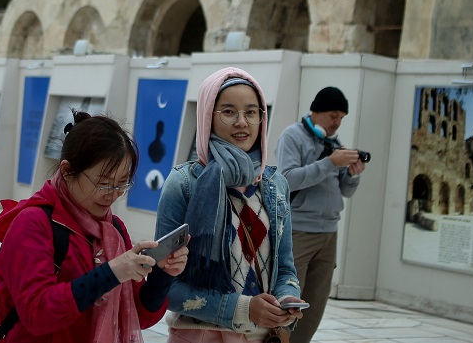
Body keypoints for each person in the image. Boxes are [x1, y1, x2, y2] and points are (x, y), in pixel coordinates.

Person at [0, 113, 187, 342]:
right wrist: (110, 273)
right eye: (103, 183)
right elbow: (37, 313)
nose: (112, 194)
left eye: (121, 183)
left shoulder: (113, 230)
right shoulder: (33, 223)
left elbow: (137, 315)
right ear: (66, 170)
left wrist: (161, 274)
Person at [156, 67, 304, 342]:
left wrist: (287, 299)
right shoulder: (185, 183)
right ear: (206, 116)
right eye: (228, 111)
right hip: (200, 335)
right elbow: (164, 286)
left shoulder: (275, 184)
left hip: (262, 336)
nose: (241, 122)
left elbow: (285, 267)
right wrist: (244, 308)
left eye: (251, 112)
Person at [275, 86, 365, 343]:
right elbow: (287, 179)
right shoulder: (292, 137)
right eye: (334, 115)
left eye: (342, 118)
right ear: (316, 111)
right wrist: (330, 163)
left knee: (314, 306)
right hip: (299, 232)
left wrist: (352, 174)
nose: (337, 122)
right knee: (289, 302)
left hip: (328, 234)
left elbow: (345, 191)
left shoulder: (333, 144)